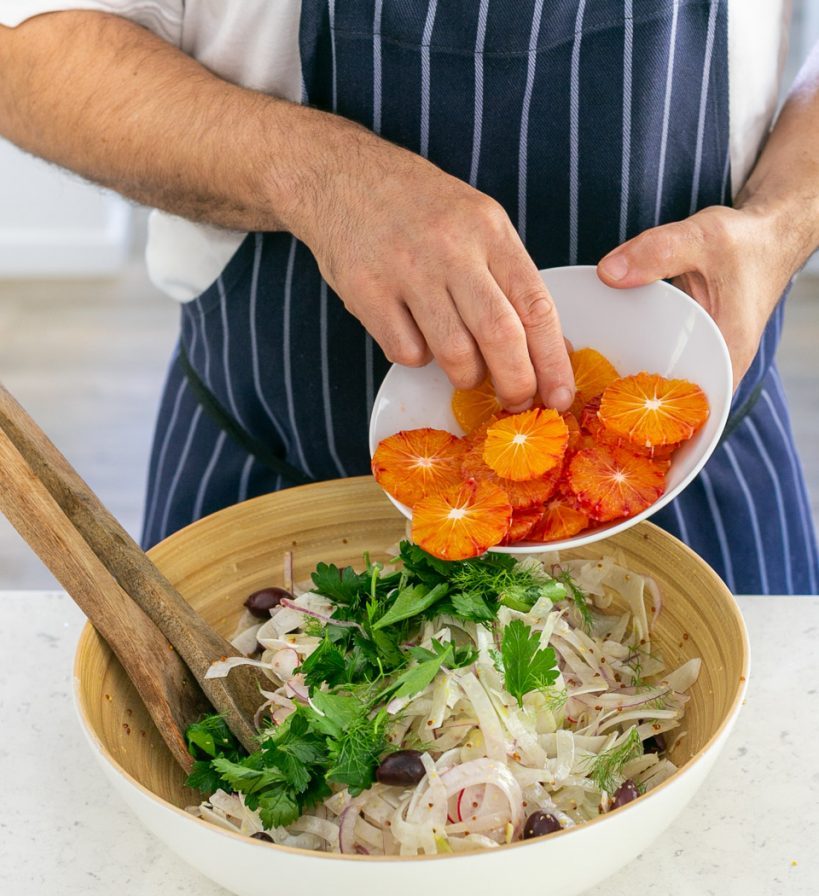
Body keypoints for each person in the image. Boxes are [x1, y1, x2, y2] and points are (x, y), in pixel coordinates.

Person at [0, 1, 817, 593]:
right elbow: (28, 54)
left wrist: (783, 221)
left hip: (693, 474)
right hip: (276, 471)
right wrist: (313, 175)